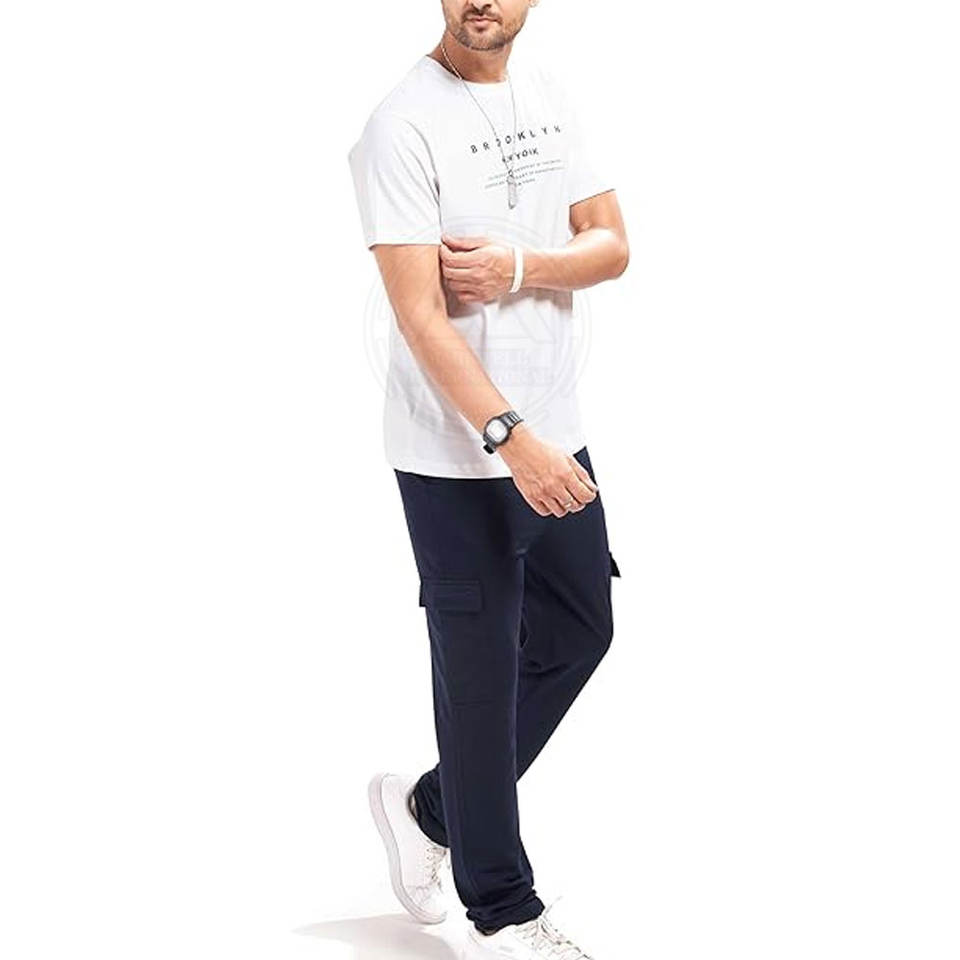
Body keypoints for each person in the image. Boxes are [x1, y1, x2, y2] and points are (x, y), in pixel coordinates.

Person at [347, 2, 629, 956]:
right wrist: (511, 440)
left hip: (559, 433)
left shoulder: (549, 93)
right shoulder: (400, 125)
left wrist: (517, 266)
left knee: (581, 630)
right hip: (456, 458)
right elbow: (419, 314)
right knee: (479, 678)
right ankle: (503, 910)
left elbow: (612, 246)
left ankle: (430, 810)